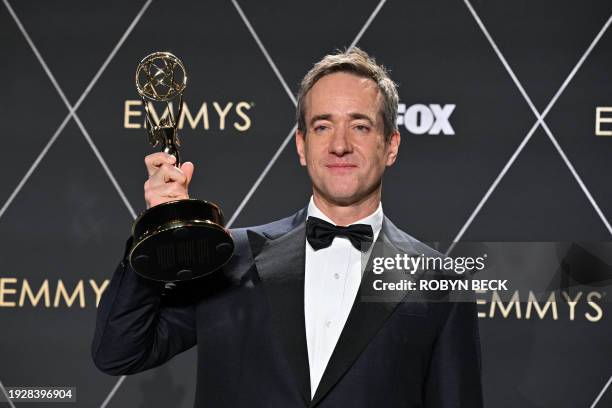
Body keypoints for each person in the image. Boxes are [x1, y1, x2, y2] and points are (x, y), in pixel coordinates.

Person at [92, 47, 483, 407]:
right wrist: (156, 232)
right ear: (301, 144)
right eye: (322, 126)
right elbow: (120, 351)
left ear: (391, 145)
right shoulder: (228, 258)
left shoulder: (441, 284)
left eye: (360, 126)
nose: (340, 145)